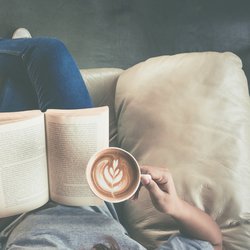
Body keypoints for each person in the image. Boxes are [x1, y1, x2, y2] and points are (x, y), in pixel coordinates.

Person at [0, 28, 222, 250]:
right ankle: (19, 60)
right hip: (87, 186)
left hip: (16, 206)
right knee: (49, 52)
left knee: (23, 76)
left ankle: (18, 62)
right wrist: (175, 206)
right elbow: (212, 242)